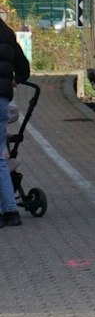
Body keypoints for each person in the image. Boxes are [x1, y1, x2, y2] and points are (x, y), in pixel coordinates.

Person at [0, 15, 27, 227]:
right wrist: (14, 80)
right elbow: (24, 69)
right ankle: (10, 211)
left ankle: (7, 211)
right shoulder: (7, 33)